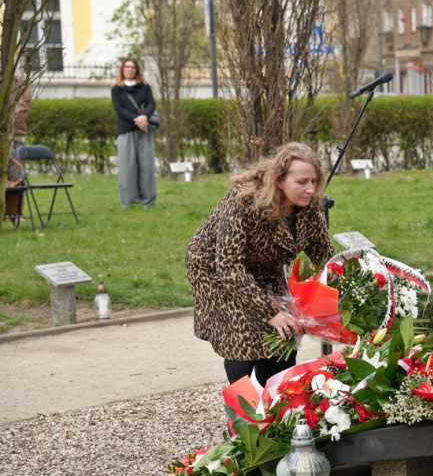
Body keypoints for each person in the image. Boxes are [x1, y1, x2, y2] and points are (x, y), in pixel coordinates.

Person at [185, 142, 333, 385]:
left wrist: (349, 284)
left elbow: (323, 253)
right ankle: (241, 404)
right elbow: (229, 266)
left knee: (285, 333)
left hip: (267, 268)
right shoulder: (243, 201)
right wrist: (270, 312)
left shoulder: (309, 206)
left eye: (314, 181)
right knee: (243, 337)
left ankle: (279, 397)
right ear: (279, 181)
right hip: (215, 270)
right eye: (302, 182)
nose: (310, 189)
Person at [111, 57, 157, 207]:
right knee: (127, 168)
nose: (130, 69)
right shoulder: (116, 89)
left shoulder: (145, 87)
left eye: (133, 67)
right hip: (126, 131)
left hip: (144, 131)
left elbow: (151, 104)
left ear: (137, 70)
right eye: (127, 67)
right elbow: (119, 109)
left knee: (146, 167)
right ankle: (129, 201)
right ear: (122, 70)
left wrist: (145, 117)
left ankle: (148, 200)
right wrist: (137, 119)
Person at [5, 72, 31, 221]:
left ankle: (15, 212)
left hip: (15, 133)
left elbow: (24, 106)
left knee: (16, 173)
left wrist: (6, 124)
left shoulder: (21, 82)